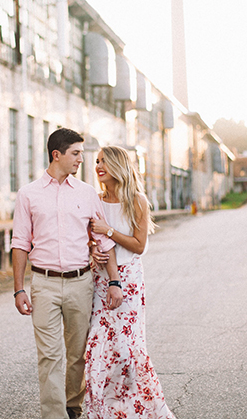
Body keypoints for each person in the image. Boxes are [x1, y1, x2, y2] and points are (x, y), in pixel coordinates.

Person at [11, 128, 117, 419]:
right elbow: (19, 243)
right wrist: (19, 289)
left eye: (82, 153)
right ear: (56, 155)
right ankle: (55, 415)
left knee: (77, 355)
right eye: (76, 153)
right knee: (49, 356)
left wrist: (114, 281)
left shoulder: (86, 194)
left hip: (81, 283)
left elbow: (103, 241)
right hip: (43, 284)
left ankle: (72, 406)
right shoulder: (28, 195)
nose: (82, 160)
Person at [86, 145, 176, 419]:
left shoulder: (136, 200)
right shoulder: (95, 201)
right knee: (98, 348)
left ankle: (139, 409)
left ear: (118, 165)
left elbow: (138, 245)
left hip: (130, 280)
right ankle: (101, 411)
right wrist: (92, 249)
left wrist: (109, 231)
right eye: (97, 161)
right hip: (102, 280)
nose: (98, 166)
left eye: (104, 161)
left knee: (128, 349)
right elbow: (91, 240)